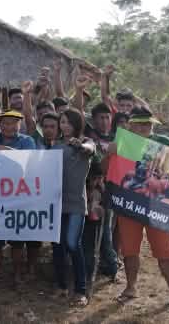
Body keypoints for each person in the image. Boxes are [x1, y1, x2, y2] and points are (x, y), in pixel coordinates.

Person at [105, 106, 169, 310]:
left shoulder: (165, 142)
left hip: (157, 207)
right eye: (139, 123)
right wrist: (109, 153)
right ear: (130, 125)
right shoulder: (121, 142)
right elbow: (107, 170)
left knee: (164, 252)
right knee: (130, 250)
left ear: (153, 124)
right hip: (129, 205)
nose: (144, 127)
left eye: (147, 123)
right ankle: (131, 288)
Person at [0, 110, 36, 286]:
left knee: (17, 241)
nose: (9, 126)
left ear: (19, 124)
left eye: (13, 123)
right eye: (5, 123)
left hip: (19, 197)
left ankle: (17, 275)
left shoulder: (27, 141)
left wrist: (5, 151)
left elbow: (31, 160)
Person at [51, 107, 94, 307]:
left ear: (77, 124)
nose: (64, 125)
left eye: (68, 122)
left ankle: (81, 290)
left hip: (76, 203)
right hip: (56, 203)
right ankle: (61, 286)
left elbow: (90, 150)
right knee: (57, 246)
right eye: (62, 122)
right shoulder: (55, 146)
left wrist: (80, 146)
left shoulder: (86, 143)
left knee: (72, 244)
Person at [83, 103, 119, 285]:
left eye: (107, 117)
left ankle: (112, 266)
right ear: (94, 120)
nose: (105, 121)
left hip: (110, 193)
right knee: (91, 234)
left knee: (107, 233)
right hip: (90, 193)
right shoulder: (90, 137)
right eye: (101, 118)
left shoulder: (117, 138)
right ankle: (91, 269)